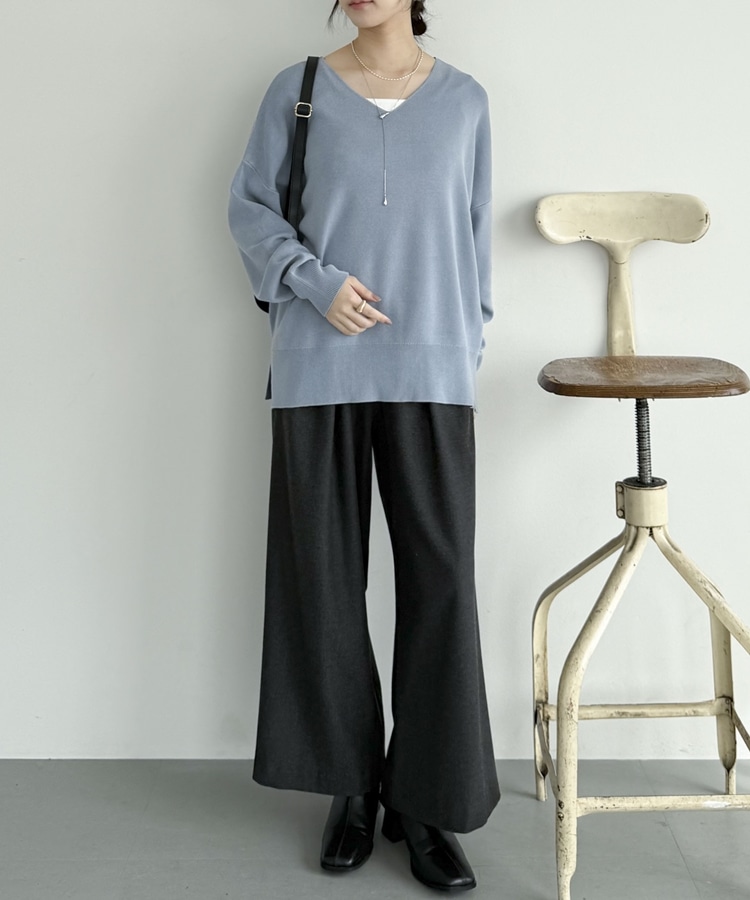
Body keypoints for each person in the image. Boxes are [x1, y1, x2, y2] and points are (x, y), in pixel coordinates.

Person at [228, 0, 499, 892]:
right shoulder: (298, 90)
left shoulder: (465, 101)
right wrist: (314, 282)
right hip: (319, 369)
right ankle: (349, 787)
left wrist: (464, 345)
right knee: (325, 585)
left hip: (434, 374)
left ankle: (424, 802)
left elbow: (475, 240)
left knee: (442, 585)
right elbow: (250, 210)